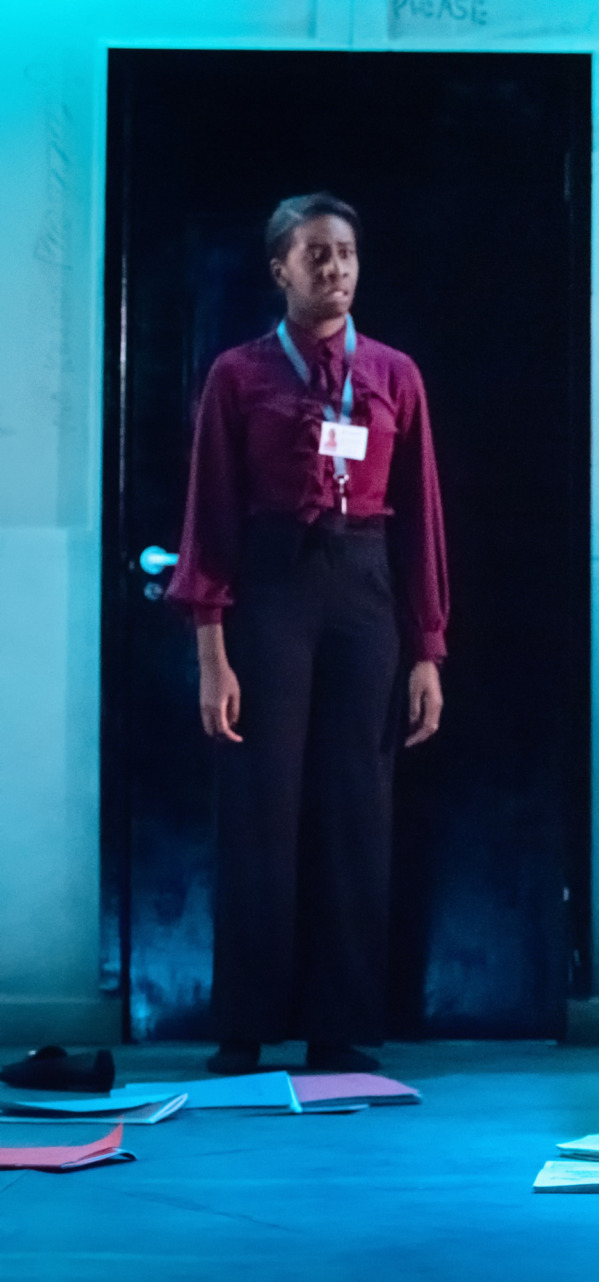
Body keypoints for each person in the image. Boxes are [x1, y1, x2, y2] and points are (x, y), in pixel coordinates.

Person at [167, 192, 449, 1076]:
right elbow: (208, 516)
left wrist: (428, 648)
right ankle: (246, 1025)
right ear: (280, 267)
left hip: (363, 591)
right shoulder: (240, 375)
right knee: (261, 808)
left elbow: (423, 521)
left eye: (347, 255)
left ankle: (343, 1026)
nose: (335, 270)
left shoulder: (394, 375)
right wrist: (212, 651)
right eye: (316, 255)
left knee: (356, 809)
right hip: (273, 589)